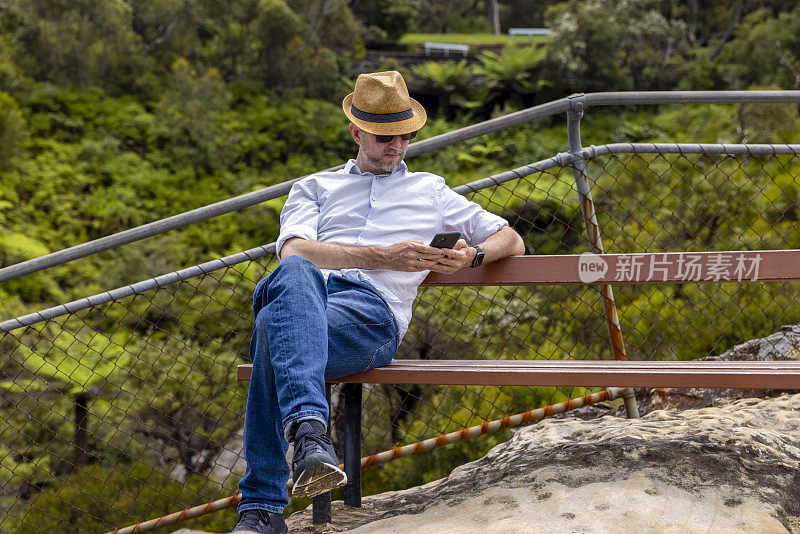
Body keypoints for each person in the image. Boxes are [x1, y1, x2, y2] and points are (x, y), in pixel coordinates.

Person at [233, 71, 525, 534]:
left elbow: (512, 237)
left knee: (272, 328)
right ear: (355, 132)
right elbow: (294, 251)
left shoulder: (430, 190)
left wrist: (475, 255)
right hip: (305, 295)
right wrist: (385, 255)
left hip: (369, 318)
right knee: (293, 275)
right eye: (386, 136)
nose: (398, 145)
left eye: (406, 135)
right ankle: (309, 436)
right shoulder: (314, 188)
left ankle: (265, 506)